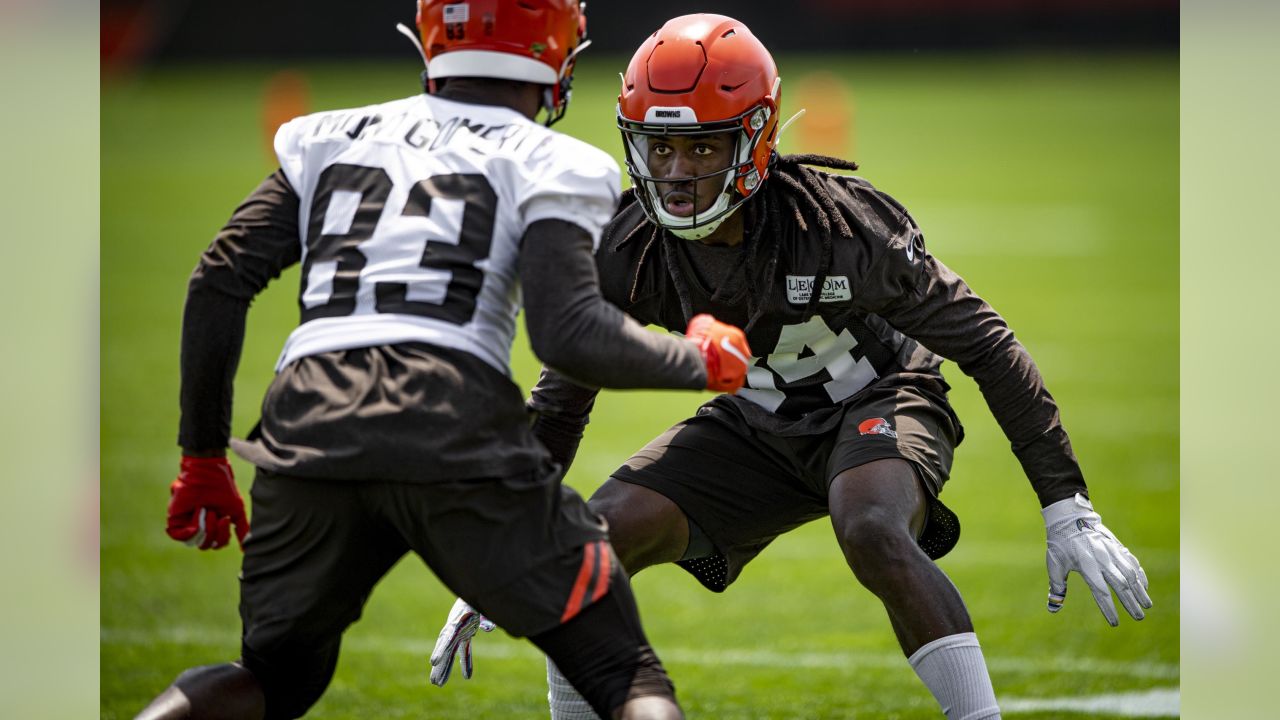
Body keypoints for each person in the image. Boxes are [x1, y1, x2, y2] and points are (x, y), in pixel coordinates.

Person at [430, 13, 1153, 720]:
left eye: (705, 148)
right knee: (585, 545)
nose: (677, 173)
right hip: (753, 424)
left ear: (757, 138)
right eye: (660, 147)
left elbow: (985, 342)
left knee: (868, 523)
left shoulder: (838, 229)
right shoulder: (627, 245)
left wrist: (1067, 506)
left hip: (881, 397)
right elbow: (563, 396)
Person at [134, 2, 756, 719]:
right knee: (624, 673)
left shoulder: (328, 134)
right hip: (448, 413)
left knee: (268, 679)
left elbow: (219, 278)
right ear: (559, 53)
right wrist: (698, 361)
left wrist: (203, 455)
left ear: (431, 38)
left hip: (308, 417)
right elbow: (569, 335)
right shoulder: (557, 160)